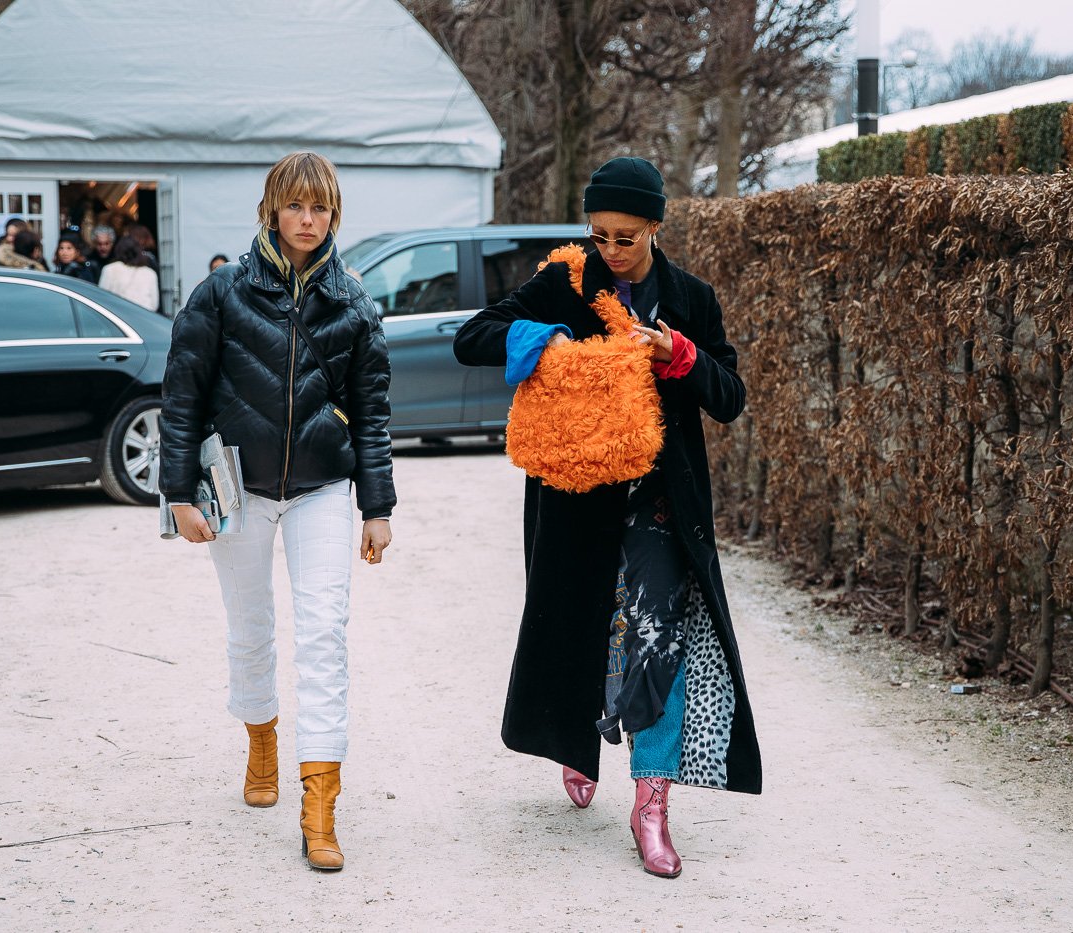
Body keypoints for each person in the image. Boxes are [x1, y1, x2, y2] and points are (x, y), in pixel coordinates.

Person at [453, 156, 762, 879]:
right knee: (584, 623)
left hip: (661, 502)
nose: (612, 250)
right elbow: (474, 336)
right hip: (574, 496)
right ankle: (577, 737)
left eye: (626, 236)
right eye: (599, 235)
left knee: (658, 634)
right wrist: (542, 341)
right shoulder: (566, 281)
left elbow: (731, 395)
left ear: (656, 225)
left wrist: (679, 354)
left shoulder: (689, 296)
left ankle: (651, 804)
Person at [159, 150, 395, 872]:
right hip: (240, 490)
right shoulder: (221, 293)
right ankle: (261, 738)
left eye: (319, 207)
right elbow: (182, 396)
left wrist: (377, 505)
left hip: (323, 489)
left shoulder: (354, 301)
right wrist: (175, 495)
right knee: (252, 625)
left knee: (324, 635)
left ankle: (319, 806)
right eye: (295, 205)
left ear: (333, 215)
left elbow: (374, 410)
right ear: (272, 208)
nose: (307, 219)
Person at [98, 236, 160, 312]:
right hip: (144, 318)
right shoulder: (150, 273)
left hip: (117, 318)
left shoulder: (109, 269)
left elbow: (101, 299)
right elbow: (154, 304)